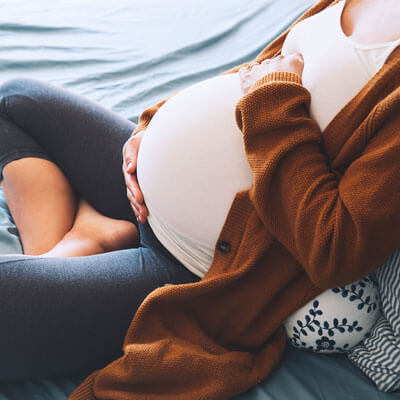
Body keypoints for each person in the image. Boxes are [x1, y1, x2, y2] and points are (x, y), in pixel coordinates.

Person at [0, 0, 398, 398]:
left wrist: (273, 97)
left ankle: (77, 247)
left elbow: (336, 247)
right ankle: (79, 241)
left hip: (199, 267)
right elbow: (258, 70)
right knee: (16, 100)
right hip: (142, 194)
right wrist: (152, 126)